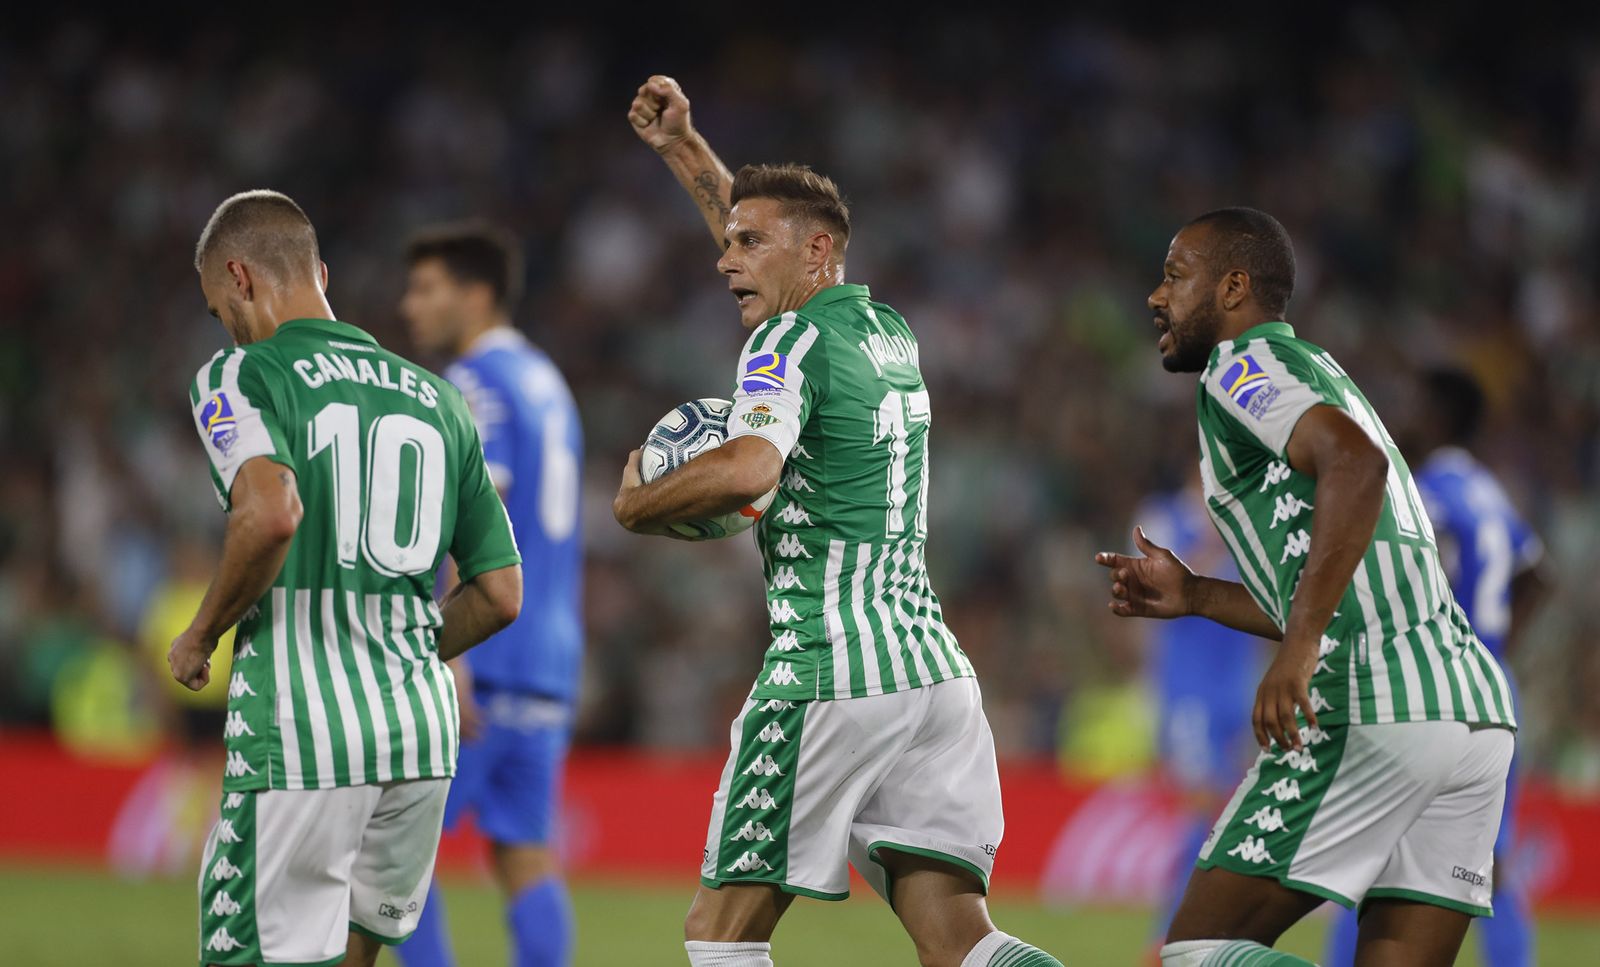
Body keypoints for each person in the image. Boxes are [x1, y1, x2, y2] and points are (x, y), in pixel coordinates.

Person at [616, 75, 1063, 967]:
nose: (724, 257)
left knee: (720, 935)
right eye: (728, 239)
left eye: (749, 243)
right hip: (931, 676)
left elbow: (749, 468)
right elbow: (773, 266)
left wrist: (636, 503)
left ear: (817, 253)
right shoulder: (886, 330)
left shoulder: (784, 343)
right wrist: (683, 149)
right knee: (960, 941)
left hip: (829, 670)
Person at [1096, 207, 1516, 967]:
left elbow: (1356, 464)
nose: (1157, 296)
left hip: (1375, 697)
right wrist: (1196, 595)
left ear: (1232, 288)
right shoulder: (1322, 372)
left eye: (1175, 275)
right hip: (1472, 711)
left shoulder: (1241, 367)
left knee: (1193, 953)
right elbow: (1353, 560)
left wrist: (1300, 645)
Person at [170, 190, 524, 967]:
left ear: (239, 277)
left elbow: (269, 515)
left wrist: (202, 633)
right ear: (320, 272)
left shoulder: (241, 372)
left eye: (215, 306)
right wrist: (401, 651)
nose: (222, 323)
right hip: (419, 738)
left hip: (300, 736)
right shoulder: (440, 397)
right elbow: (501, 591)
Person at [396, 222, 584, 967]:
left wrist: (451, 652)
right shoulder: (547, 381)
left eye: (425, 288)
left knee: (398, 846)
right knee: (523, 853)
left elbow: (479, 513)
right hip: (549, 657)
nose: (410, 306)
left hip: (486, 646)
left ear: (475, 295)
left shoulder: (476, 383)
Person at [1324, 368, 1548, 967]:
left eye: (1419, 404)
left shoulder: (1424, 492)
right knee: (1488, 864)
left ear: (1442, 416)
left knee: (1368, 852)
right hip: (1494, 692)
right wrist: (1491, 650)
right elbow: (1536, 577)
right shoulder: (1488, 490)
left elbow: (1410, 578)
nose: (1407, 413)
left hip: (1429, 694)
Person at [1133, 470, 1264, 955]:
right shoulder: (1163, 518)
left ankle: (1200, 932)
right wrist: (1212, 538)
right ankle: (1172, 936)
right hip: (1187, 688)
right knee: (1201, 809)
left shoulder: (1250, 522)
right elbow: (1152, 588)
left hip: (1237, 684)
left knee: (1225, 813)